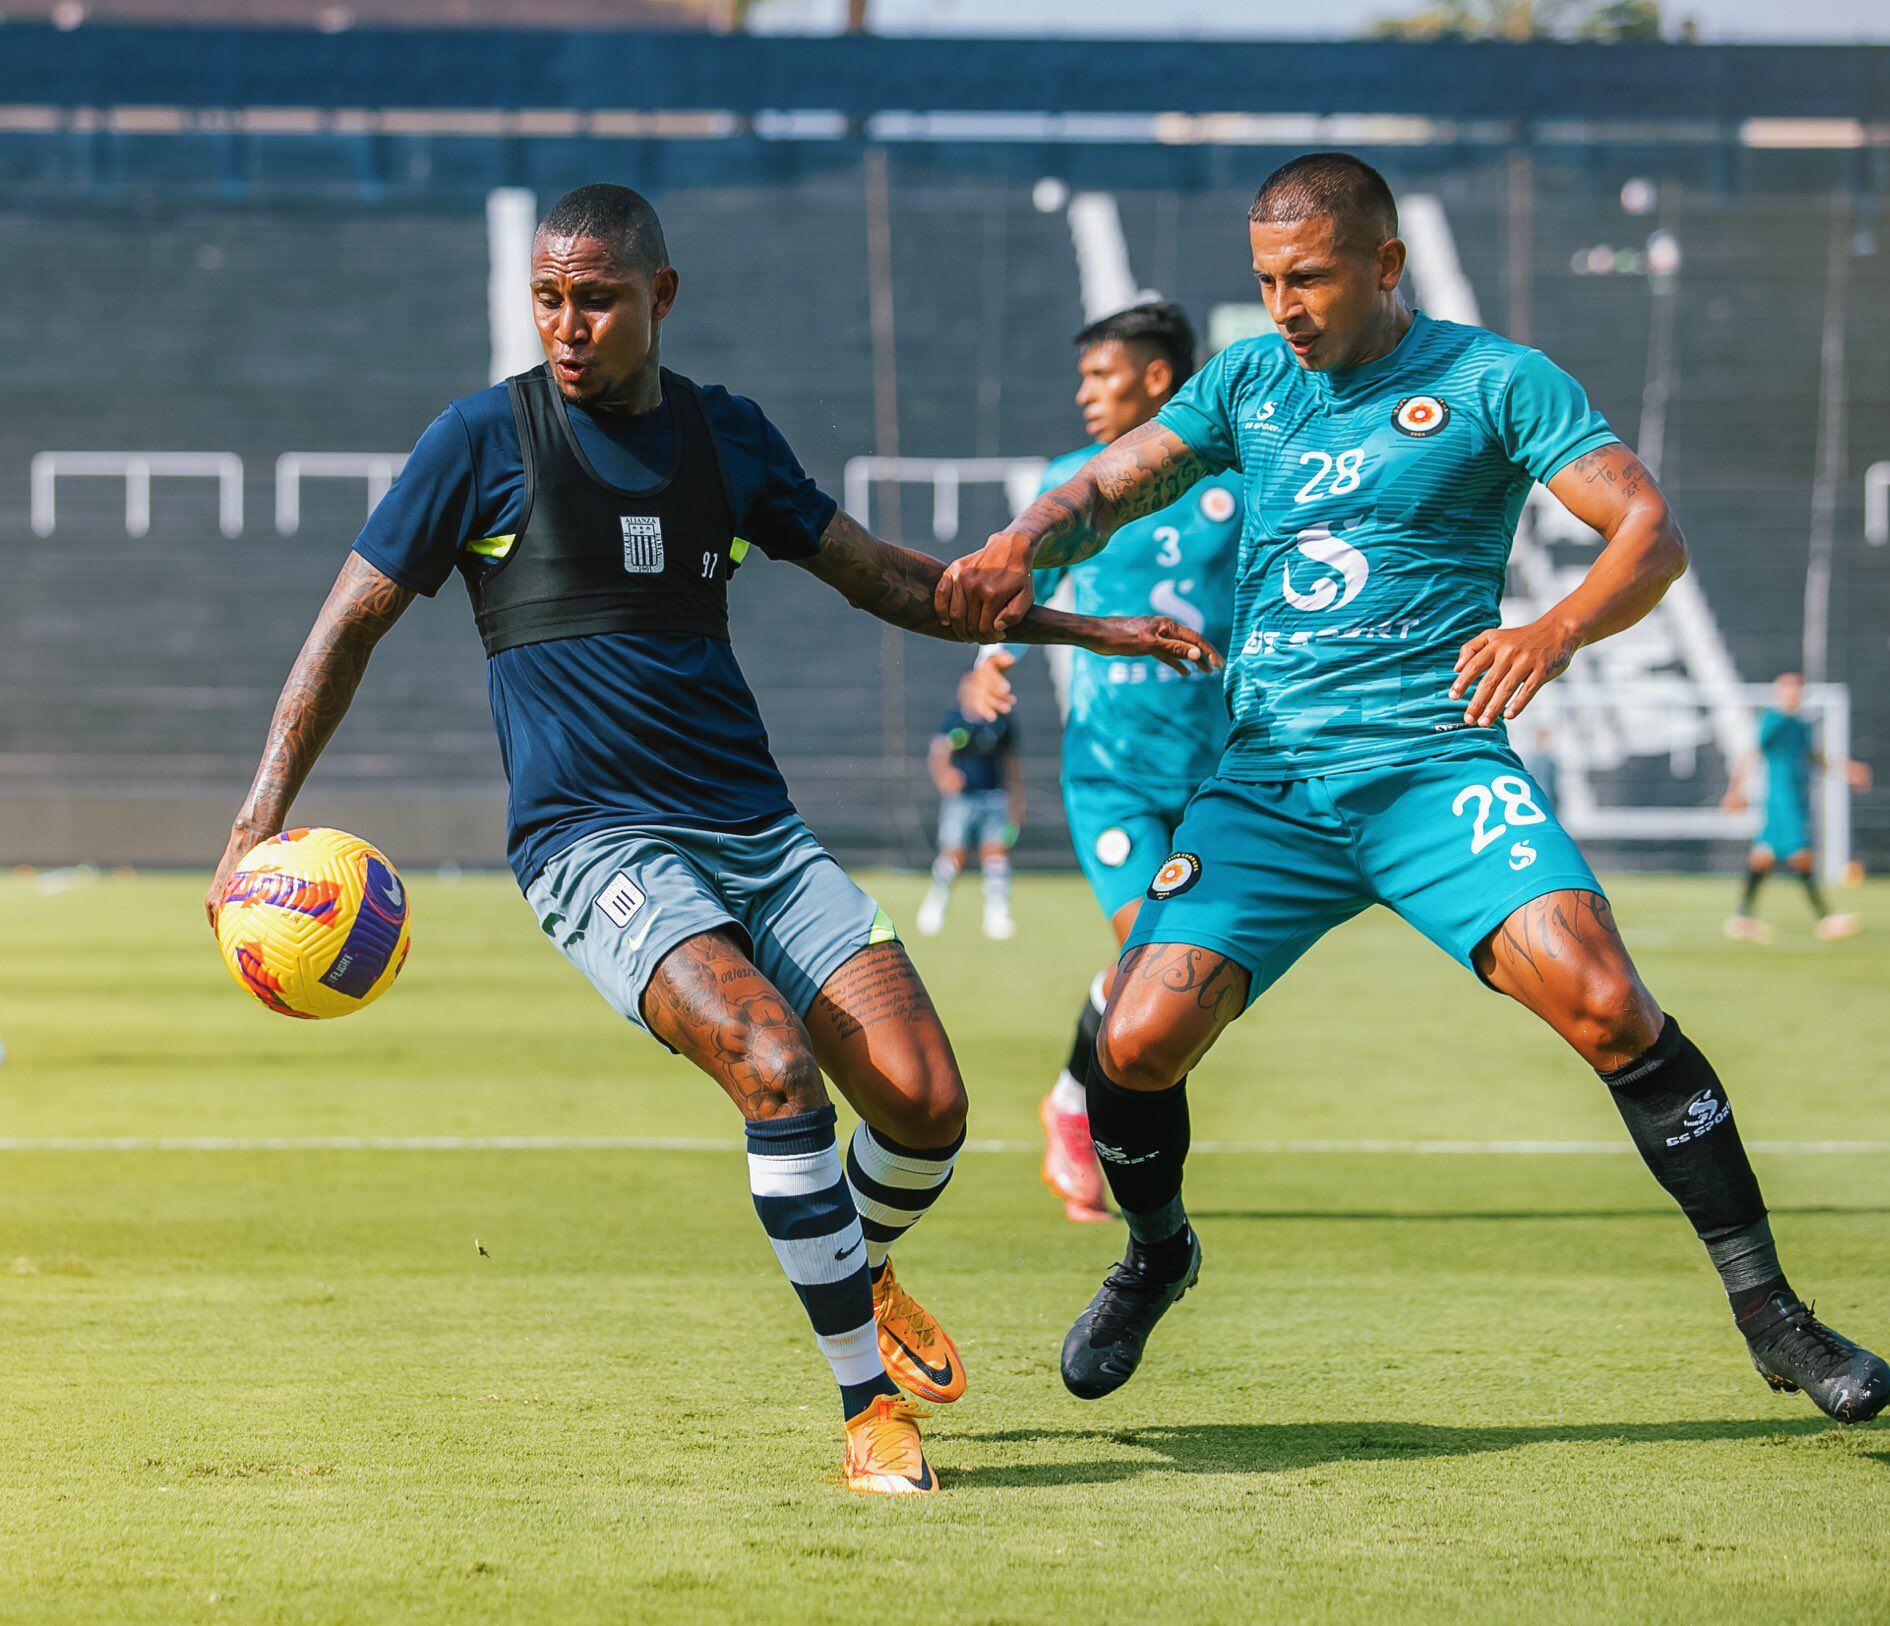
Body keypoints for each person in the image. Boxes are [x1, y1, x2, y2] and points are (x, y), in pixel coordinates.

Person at [203, 184, 1218, 1495]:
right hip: (595, 844)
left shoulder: (725, 438)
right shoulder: (479, 442)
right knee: (771, 1061)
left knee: (927, 1105)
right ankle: (868, 1408)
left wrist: (1078, 629)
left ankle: (861, 1257)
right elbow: (348, 624)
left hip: (757, 829)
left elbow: (889, 581)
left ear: (661, 298)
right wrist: (254, 822)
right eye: (549, 298)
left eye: (598, 298)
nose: (568, 326)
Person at [936, 153, 1890, 1426]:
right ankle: (1156, 1255)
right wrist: (1019, 543)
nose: (1282, 306)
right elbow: (1111, 482)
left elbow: (1647, 533)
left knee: (1606, 1002)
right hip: (1269, 782)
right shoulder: (1247, 382)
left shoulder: (1495, 381)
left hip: (1434, 770)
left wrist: (1548, 636)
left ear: (1385, 266)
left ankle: (1772, 1315)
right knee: (1133, 1038)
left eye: (1309, 278)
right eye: (1265, 280)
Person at [958, 302, 1241, 1223]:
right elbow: (1016, 588)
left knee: (1183, 986)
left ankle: (1073, 1099)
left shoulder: (1239, 483)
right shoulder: (1066, 483)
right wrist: (989, 664)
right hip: (1111, 774)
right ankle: (1083, 1119)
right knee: (1147, 953)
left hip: (1218, 779)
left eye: (1100, 375)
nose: (1084, 394)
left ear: (1158, 380)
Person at [1722, 672, 1871, 942]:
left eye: (1797, 690)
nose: (1793, 695)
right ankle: (1825, 917)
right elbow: (1751, 753)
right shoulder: (1773, 720)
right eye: (1788, 690)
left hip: (1796, 797)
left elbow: (1815, 758)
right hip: (1780, 800)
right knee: (1800, 854)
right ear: (1778, 693)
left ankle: (1741, 918)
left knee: (1763, 857)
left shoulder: (1801, 725)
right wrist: (1736, 790)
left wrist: (1847, 770)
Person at [918, 675, 1025, 940]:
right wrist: (945, 776)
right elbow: (938, 753)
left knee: (996, 856)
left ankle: (996, 913)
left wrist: (1016, 796)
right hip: (963, 800)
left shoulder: (1000, 721)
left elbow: (1010, 761)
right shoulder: (955, 720)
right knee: (953, 856)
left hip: (994, 796)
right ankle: (937, 902)